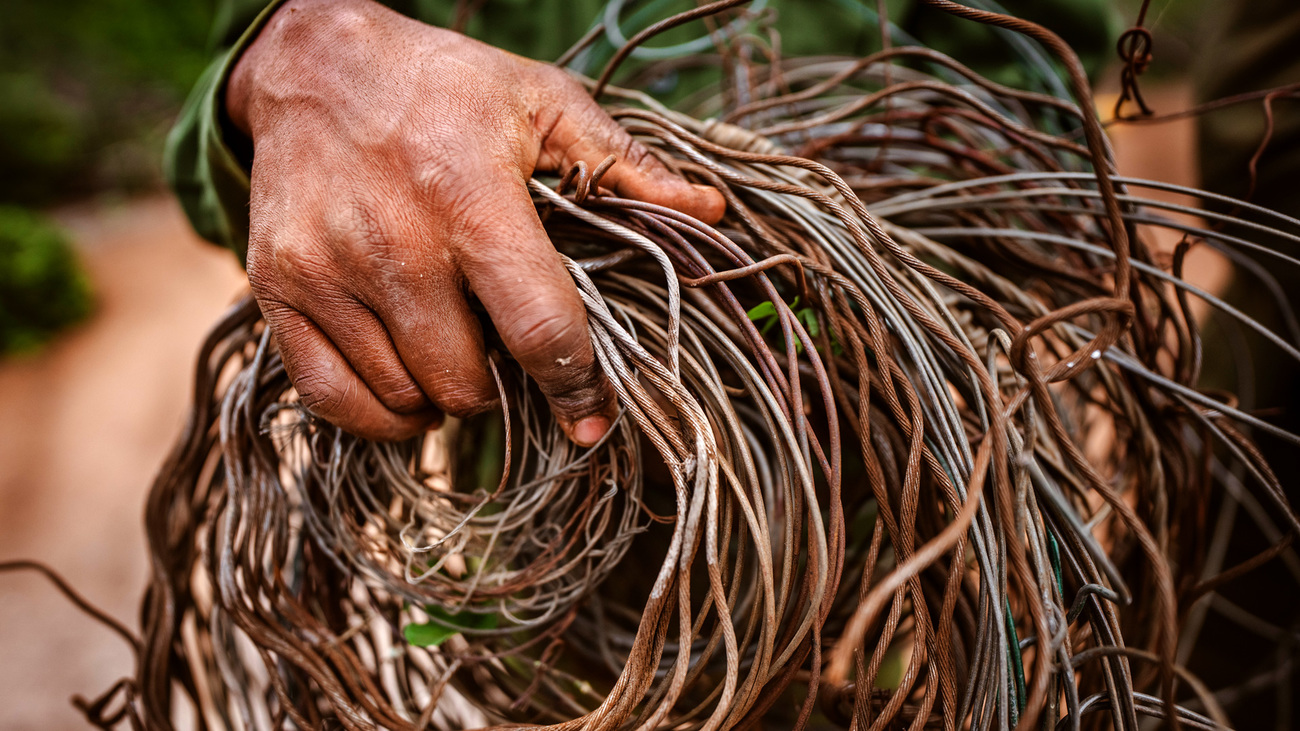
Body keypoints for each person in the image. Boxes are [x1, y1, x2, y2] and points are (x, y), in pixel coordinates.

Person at [168, 0, 1114, 445]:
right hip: (570, 495)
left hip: (927, 432)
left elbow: (1038, 70)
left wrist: (868, 256)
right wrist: (288, 63)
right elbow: (246, 109)